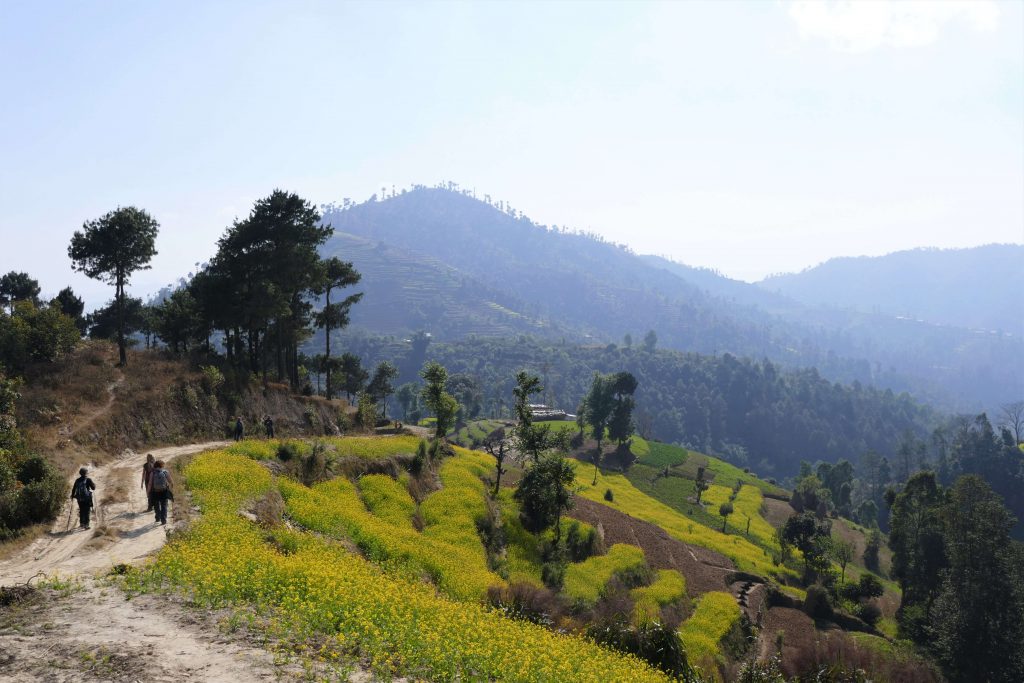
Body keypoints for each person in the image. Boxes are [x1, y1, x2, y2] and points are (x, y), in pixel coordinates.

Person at [150, 460, 173, 525]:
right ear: (162, 465)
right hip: (164, 491)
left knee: (156, 505)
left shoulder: (153, 473)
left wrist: (148, 491)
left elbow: (150, 483)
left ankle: (157, 518)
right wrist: (172, 484)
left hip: (155, 491)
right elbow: (170, 480)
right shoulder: (165, 472)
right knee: (164, 505)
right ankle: (163, 520)